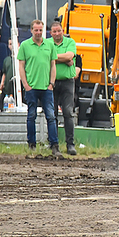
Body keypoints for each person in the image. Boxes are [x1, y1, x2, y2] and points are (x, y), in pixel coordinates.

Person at [18, 19, 61, 157]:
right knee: (31, 116)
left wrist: (51, 83)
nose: (38, 33)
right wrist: (25, 84)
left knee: (51, 116)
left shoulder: (49, 45)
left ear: (44, 31)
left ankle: (54, 145)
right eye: (36, 30)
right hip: (31, 87)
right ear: (31, 30)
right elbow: (21, 66)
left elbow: (53, 65)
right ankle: (31, 144)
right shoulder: (25, 45)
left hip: (46, 88)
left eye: (40, 30)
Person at [47, 21, 78, 156]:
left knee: (68, 112)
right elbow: (44, 57)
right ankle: (53, 143)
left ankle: (70, 144)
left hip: (67, 82)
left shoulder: (70, 42)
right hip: (51, 82)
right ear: (51, 33)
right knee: (51, 114)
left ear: (62, 30)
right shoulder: (47, 43)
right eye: (54, 31)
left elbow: (70, 56)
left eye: (59, 31)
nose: (57, 33)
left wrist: (53, 58)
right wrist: (64, 59)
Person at [0, 38, 15, 107]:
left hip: (17, 89)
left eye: (13, 44)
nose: (12, 46)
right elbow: (4, 73)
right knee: (6, 105)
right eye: (10, 44)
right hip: (7, 90)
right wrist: (2, 83)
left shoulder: (22, 60)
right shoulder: (7, 60)